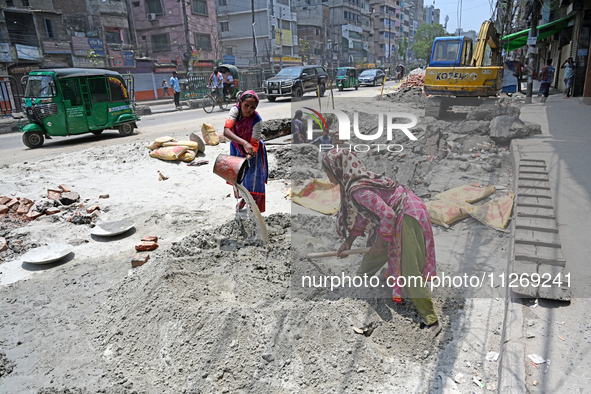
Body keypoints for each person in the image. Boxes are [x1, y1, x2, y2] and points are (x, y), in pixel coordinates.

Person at [322, 149, 441, 338]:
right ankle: (362, 290)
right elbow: (365, 214)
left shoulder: (358, 190)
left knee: (409, 269)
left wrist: (380, 240)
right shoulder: (354, 185)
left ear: (337, 171)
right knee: (372, 257)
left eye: (328, 174)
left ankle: (431, 320)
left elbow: (388, 215)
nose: (328, 179)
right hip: (392, 215)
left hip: (406, 214)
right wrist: (349, 242)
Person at [223, 91, 268, 212]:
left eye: (253, 107)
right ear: (240, 103)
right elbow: (226, 131)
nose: (249, 109)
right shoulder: (235, 111)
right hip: (237, 147)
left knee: (253, 178)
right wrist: (244, 143)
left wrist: (249, 155)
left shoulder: (257, 120)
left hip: (254, 150)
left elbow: (254, 144)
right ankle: (243, 198)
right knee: (239, 176)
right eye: (246, 106)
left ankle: (253, 206)